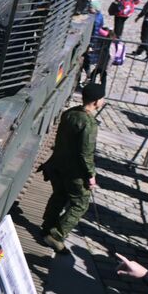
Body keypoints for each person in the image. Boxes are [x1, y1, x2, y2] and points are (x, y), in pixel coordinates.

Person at [38, 84, 106, 253]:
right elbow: (86, 153)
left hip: (58, 164)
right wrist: (91, 175)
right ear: (97, 102)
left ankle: (47, 225)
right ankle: (56, 235)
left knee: (59, 195)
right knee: (80, 203)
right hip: (74, 172)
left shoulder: (70, 113)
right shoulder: (89, 123)